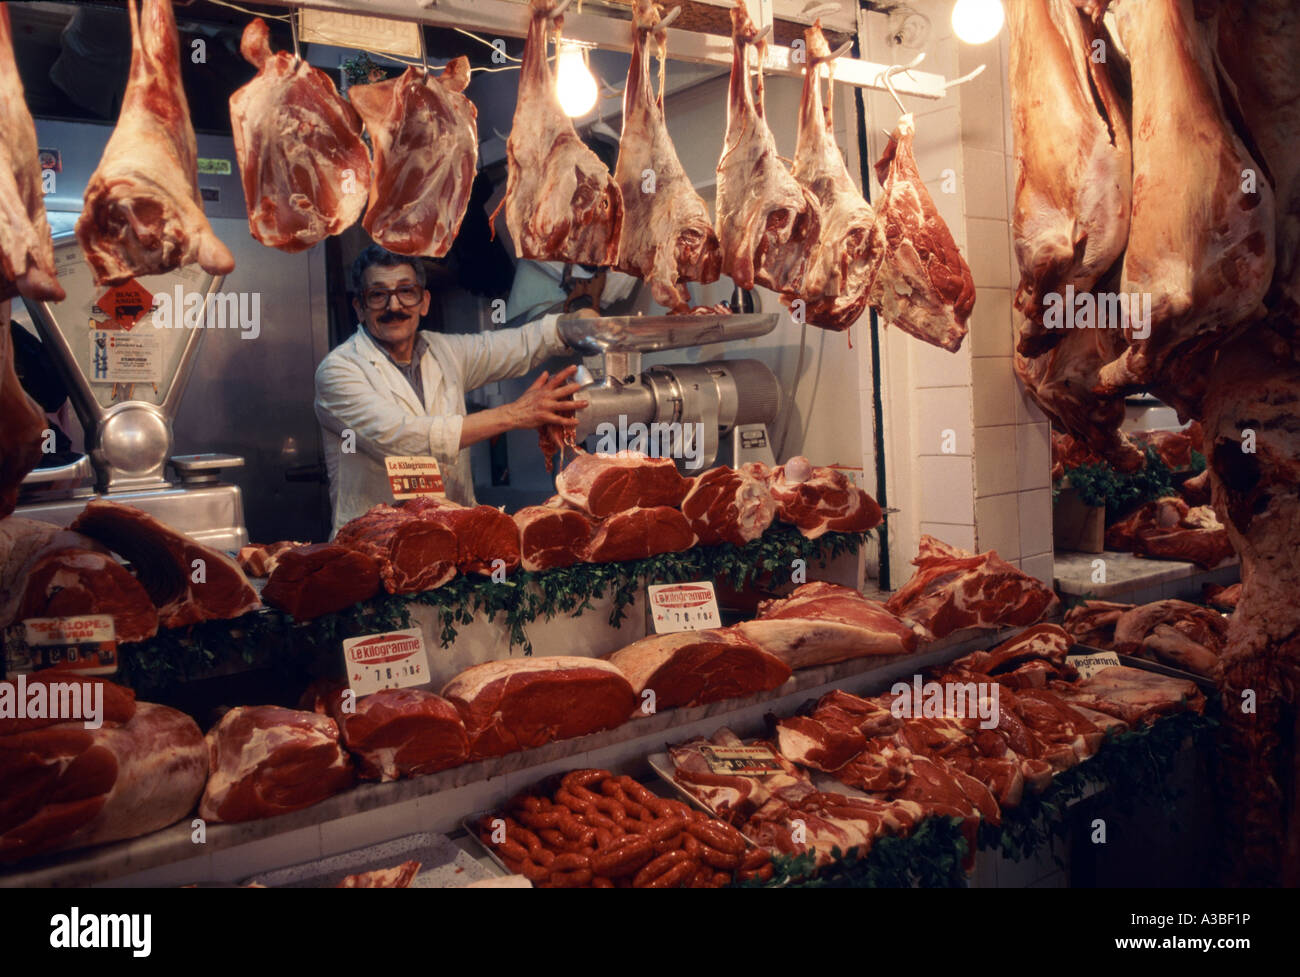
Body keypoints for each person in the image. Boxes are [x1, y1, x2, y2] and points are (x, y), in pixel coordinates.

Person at [315, 245, 589, 533]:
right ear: (359, 307)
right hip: (376, 547)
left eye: (406, 291)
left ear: (424, 301)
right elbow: (400, 437)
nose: (394, 307)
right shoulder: (339, 370)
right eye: (378, 295)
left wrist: (572, 324)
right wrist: (515, 414)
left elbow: (518, 345)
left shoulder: (445, 351)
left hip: (453, 539)